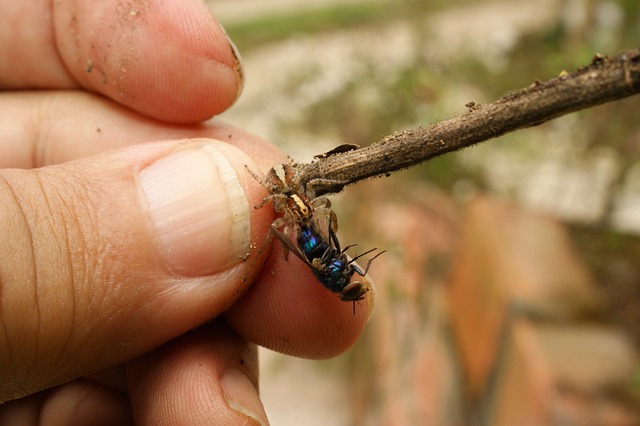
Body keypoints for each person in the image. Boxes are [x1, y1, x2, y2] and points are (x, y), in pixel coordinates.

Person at [0, 1, 374, 424]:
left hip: (297, 225)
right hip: (295, 223)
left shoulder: (305, 234)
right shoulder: (295, 223)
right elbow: (304, 234)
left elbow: (311, 237)